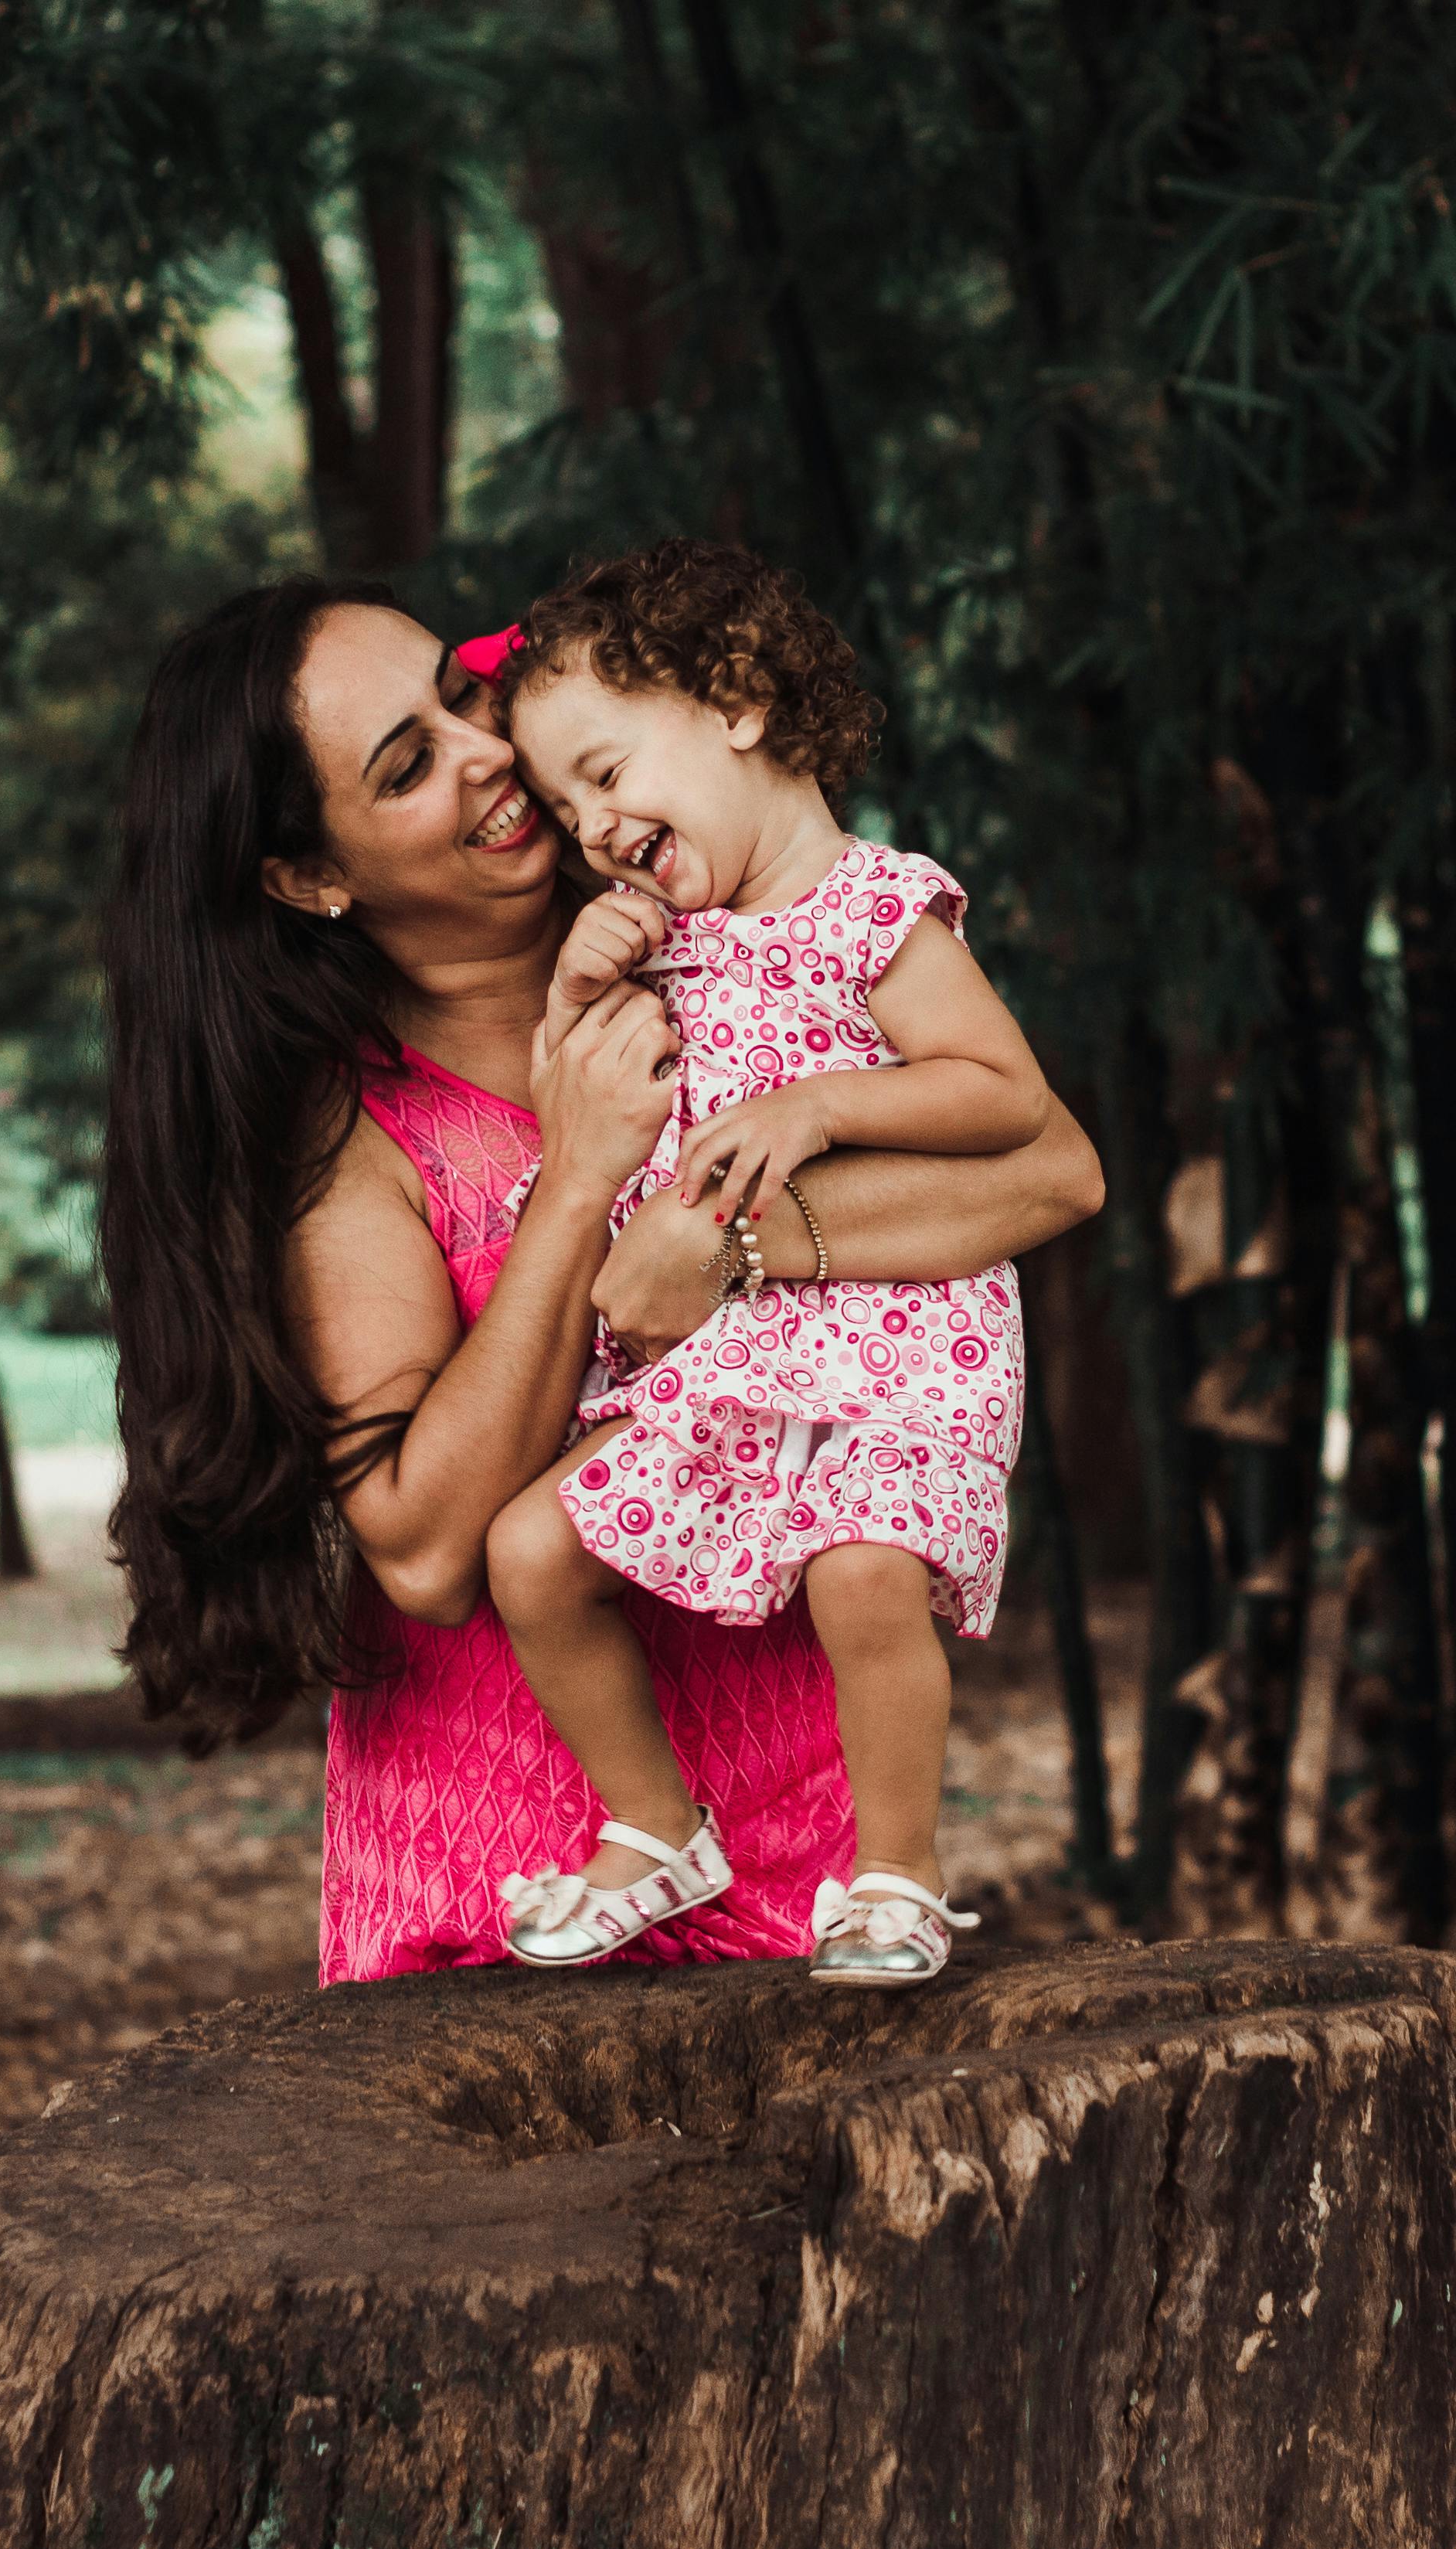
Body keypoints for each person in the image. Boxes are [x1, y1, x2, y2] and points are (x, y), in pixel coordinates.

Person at [97, 577, 1104, 1983]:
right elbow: (426, 1551)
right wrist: (579, 1188)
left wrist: (731, 1249)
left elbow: (1050, 1173)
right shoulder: (351, 1135)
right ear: (309, 876)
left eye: (463, 696)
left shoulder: (722, 930)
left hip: (820, 1856)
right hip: (520, 1889)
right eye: (407, 765)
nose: (488, 754)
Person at [475, 543, 1036, 1988]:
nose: (589, 826)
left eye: (604, 772)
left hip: (902, 1342)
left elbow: (1003, 1096)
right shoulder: (676, 937)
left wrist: (827, 1103)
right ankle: (660, 1826)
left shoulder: (874, 906)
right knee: (531, 1552)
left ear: (735, 702)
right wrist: (579, 985)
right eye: (561, 805)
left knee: (865, 1578)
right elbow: (573, 1109)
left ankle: (899, 1872)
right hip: (731, 1348)